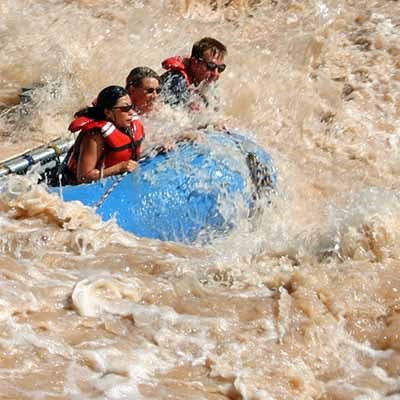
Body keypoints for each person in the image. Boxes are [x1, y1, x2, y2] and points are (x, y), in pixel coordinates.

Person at [64, 85, 144, 184]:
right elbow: (83, 176)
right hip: (74, 185)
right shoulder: (95, 136)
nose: (131, 112)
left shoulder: (127, 125)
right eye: (125, 108)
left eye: (130, 107)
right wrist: (119, 168)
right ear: (108, 112)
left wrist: (160, 145)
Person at [160, 37, 227, 112]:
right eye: (211, 66)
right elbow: (171, 115)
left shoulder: (208, 81)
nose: (216, 73)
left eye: (221, 68)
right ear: (195, 62)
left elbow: (215, 109)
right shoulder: (178, 80)